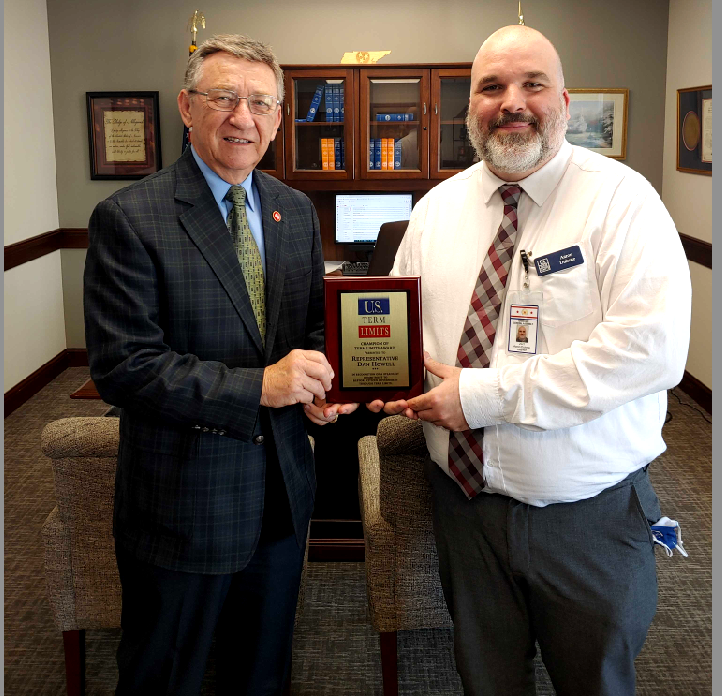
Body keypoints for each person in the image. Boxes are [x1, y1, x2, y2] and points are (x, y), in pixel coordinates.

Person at [369, 24, 691, 696]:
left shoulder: (623, 201)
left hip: (588, 519)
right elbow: (397, 325)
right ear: (470, 109)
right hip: (464, 511)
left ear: (564, 103)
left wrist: (485, 396)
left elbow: (649, 350)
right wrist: (372, 376)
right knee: (486, 680)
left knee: (595, 682)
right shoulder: (436, 210)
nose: (512, 101)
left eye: (532, 84)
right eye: (492, 87)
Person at [84, 34, 353, 696]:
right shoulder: (130, 217)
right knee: (164, 676)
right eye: (224, 97)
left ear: (279, 118)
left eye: (260, 103)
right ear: (186, 106)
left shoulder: (293, 211)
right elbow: (125, 367)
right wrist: (262, 386)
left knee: (262, 674)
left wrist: (322, 386)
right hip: (183, 503)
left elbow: (312, 330)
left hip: (282, 497)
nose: (243, 117)